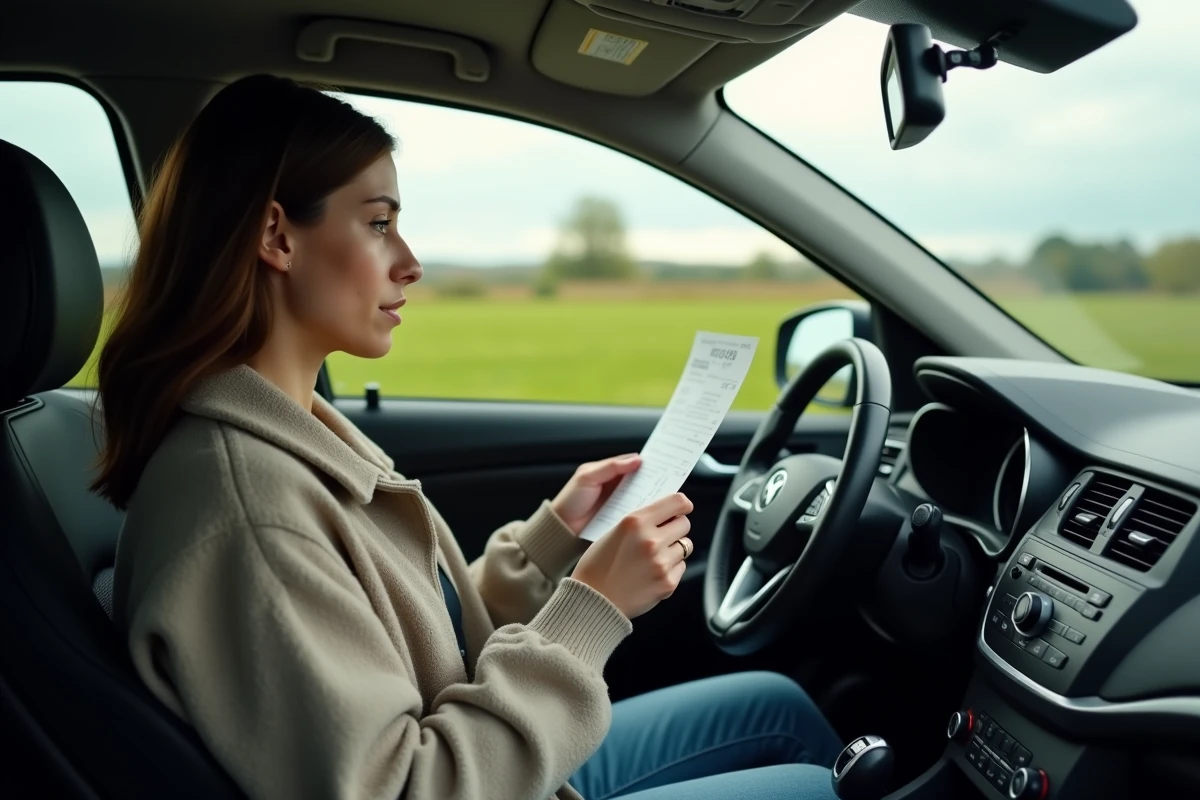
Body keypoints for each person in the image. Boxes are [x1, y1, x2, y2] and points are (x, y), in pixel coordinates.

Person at [94, 74, 842, 800]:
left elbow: (409, 649)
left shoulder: (289, 435)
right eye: (379, 223)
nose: (410, 263)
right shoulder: (251, 510)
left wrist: (552, 543)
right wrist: (591, 607)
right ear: (276, 236)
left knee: (772, 707)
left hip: (493, 763)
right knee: (817, 785)